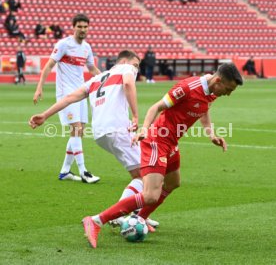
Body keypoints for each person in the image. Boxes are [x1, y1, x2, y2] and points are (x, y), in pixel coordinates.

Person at [78, 63, 243, 248]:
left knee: (173, 182)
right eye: (228, 89)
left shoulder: (212, 91)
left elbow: (204, 109)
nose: (228, 94)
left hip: (171, 142)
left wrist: (211, 133)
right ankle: (96, 221)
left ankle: (139, 218)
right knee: (150, 196)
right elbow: (155, 107)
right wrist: (144, 130)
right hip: (157, 140)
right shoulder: (187, 88)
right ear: (218, 80)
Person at [29, 50, 159, 229]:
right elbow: (129, 83)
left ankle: (136, 214)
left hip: (99, 134)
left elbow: (69, 98)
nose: (136, 69)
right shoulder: (127, 68)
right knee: (147, 175)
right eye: (136, 65)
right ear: (124, 61)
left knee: (138, 175)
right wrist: (136, 116)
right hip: (118, 128)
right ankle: (120, 214)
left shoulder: (95, 80)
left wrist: (45, 115)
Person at [33, 13, 101, 183]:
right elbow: (49, 65)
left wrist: (108, 79)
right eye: (80, 26)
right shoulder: (63, 44)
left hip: (80, 92)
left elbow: (92, 69)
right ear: (73, 27)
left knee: (79, 131)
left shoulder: (87, 47)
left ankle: (65, 171)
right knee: (76, 129)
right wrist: (39, 87)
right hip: (65, 93)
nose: (83, 30)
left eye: (85, 27)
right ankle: (84, 171)